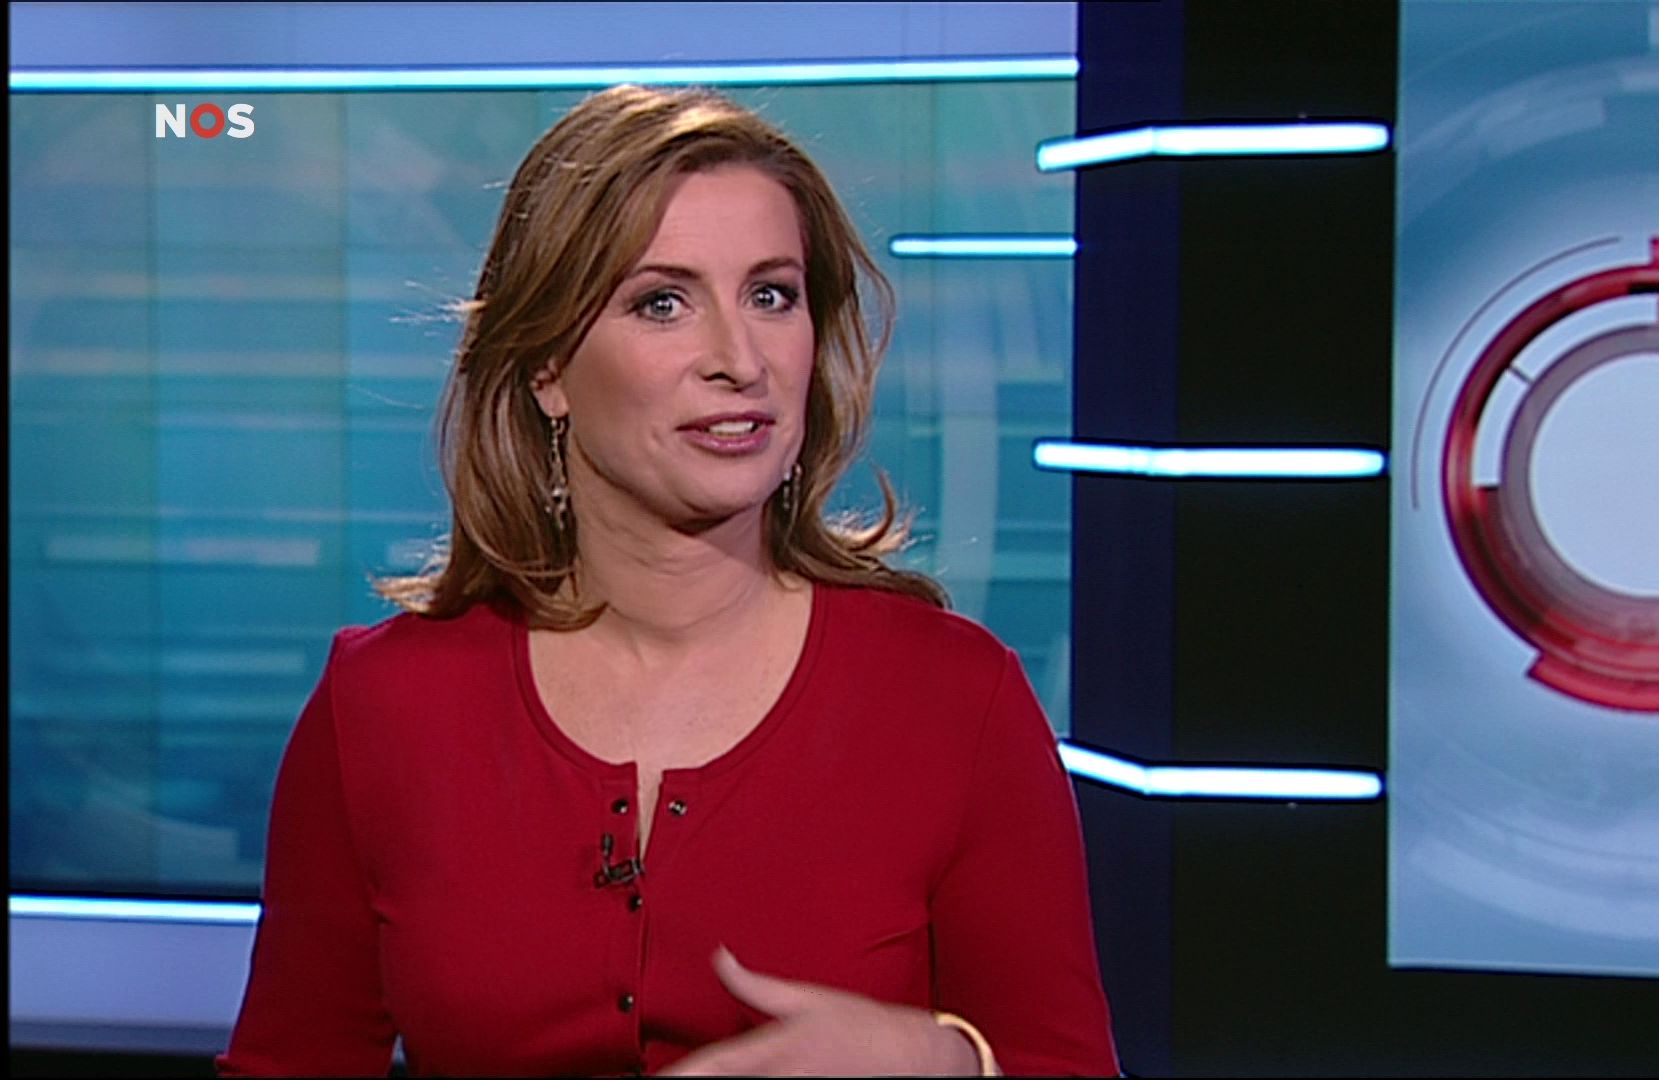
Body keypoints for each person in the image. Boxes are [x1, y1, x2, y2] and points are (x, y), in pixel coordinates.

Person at [214, 84, 1119, 1077]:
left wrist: (948, 1066)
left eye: (771, 296)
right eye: (662, 303)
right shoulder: (384, 709)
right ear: (548, 364)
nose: (739, 360)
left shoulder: (954, 701)